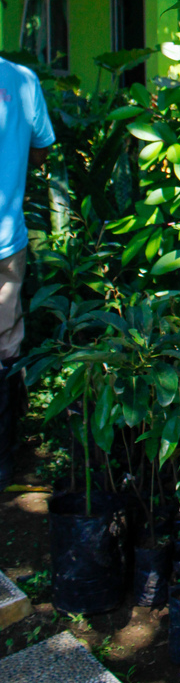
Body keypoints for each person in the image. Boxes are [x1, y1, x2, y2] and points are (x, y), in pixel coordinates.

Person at [0, 53, 55, 487]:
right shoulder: (21, 80)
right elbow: (42, 148)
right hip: (6, 240)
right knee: (5, 343)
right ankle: (4, 455)